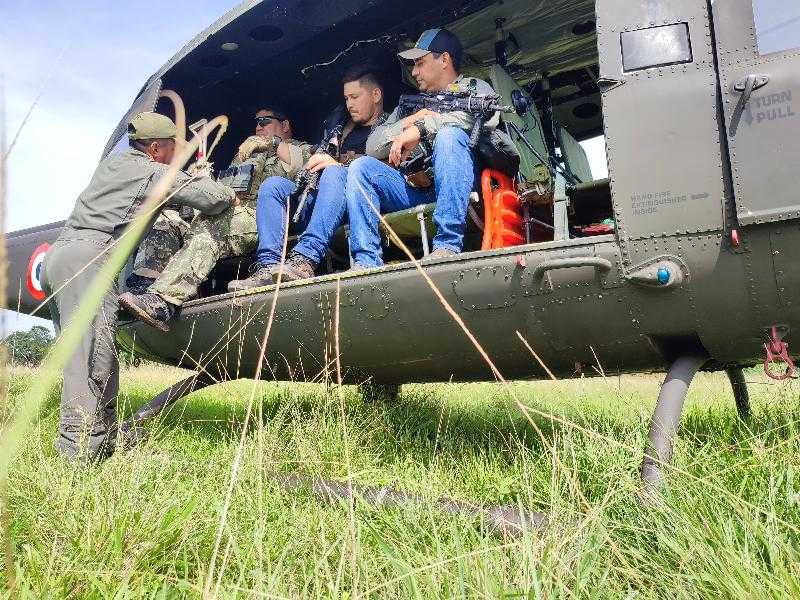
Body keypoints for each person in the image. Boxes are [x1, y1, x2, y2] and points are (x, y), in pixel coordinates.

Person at [41, 112, 235, 462]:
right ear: (157, 148)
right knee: (89, 361)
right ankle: (77, 457)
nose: (176, 156)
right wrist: (213, 184)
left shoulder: (114, 168)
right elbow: (212, 199)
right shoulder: (148, 171)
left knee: (95, 355)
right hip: (89, 259)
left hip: (60, 258)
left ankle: (102, 445)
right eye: (174, 150)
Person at [118, 108, 312, 329]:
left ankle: (163, 302)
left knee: (210, 227)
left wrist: (272, 144)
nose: (258, 126)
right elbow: (225, 188)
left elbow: (300, 167)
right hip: (228, 210)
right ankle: (143, 288)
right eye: (256, 122)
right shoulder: (246, 154)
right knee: (166, 220)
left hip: (262, 216)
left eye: (265, 121)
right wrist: (202, 179)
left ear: (284, 125)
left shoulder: (301, 149)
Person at [346, 28, 499, 268]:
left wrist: (423, 128)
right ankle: (365, 261)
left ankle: (447, 245)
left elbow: (485, 116)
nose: (414, 72)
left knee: (449, 136)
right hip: (416, 189)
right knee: (361, 167)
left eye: (420, 63)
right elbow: (372, 147)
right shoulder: (411, 105)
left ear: (445, 59)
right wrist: (409, 123)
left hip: (462, 187)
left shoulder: (475, 88)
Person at [228, 65, 387, 290]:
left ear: (376, 95)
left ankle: (305, 260)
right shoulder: (340, 130)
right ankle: (266, 266)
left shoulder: (389, 126)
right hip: (320, 201)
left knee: (333, 172)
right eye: (346, 98)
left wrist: (338, 165)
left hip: (358, 202)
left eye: (354, 97)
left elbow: (385, 170)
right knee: (273, 186)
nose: (349, 104)